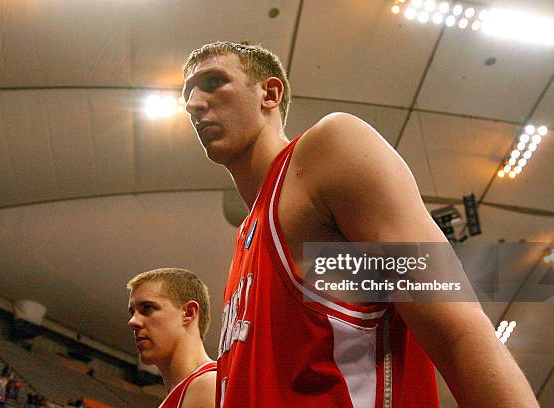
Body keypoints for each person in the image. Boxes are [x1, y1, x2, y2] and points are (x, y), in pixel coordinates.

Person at [181, 42, 538, 407]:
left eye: (213, 82)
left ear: (269, 94)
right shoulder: (246, 239)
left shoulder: (330, 150)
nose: (194, 103)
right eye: (188, 93)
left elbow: (459, 328)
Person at [127, 268, 216, 408]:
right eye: (132, 312)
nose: (133, 321)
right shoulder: (188, 392)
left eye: (147, 308)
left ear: (188, 313)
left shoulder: (210, 385)